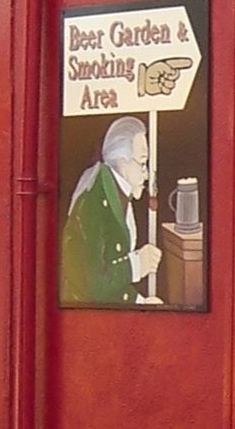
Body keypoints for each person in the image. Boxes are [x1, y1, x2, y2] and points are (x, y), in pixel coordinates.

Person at [62, 116, 163, 305]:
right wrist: (137, 265)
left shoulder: (117, 193)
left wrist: (140, 301)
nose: (147, 174)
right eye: (142, 163)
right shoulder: (93, 202)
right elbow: (92, 286)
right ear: (123, 163)